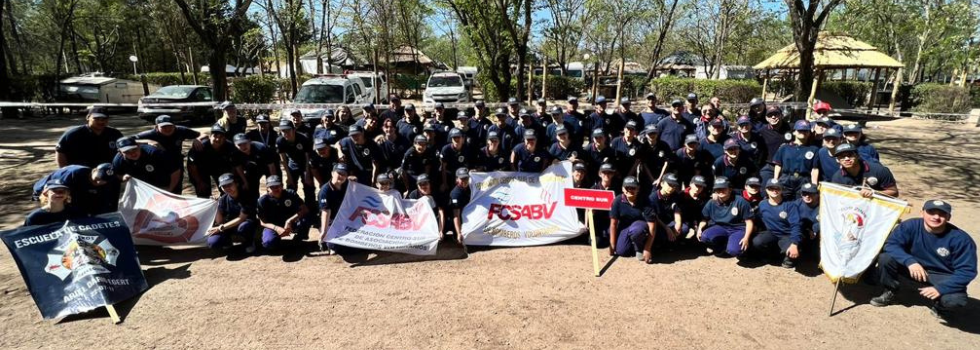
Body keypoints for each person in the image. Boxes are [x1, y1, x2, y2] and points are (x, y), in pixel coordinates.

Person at [872, 200, 977, 321]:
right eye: (931, 212)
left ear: (948, 217)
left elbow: (967, 271)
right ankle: (890, 290)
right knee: (886, 258)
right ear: (922, 213)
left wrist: (941, 288)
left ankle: (941, 308)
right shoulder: (910, 226)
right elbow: (891, 245)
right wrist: (910, 261)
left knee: (955, 300)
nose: (936, 217)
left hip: (942, 274)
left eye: (942, 214)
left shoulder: (961, 240)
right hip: (913, 267)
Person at [134, 115, 205, 193]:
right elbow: (128, 140)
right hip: (157, 165)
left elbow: (202, 133)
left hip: (176, 163)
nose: (167, 129)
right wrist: (148, 141)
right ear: (156, 127)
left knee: (176, 189)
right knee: (159, 189)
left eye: (170, 126)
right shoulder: (150, 134)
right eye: (164, 127)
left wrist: (197, 139)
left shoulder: (180, 130)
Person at [697, 176, 755, 257]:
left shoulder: (740, 201)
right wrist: (699, 229)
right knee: (705, 236)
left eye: (723, 188)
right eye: (718, 189)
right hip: (721, 227)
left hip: (738, 229)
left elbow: (749, 222)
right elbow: (704, 219)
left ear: (730, 189)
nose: (720, 191)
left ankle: (743, 249)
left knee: (734, 251)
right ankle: (723, 245)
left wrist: (746, 238)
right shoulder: (711, 202)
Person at [750, 179, 803, 268]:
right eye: (771, 188)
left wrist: (795, 243)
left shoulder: (790, 205)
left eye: (777, 188)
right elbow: (758, 219)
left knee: (791, 253)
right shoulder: (762, 204)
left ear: (782, 189)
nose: (774, 191)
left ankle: (789, 255)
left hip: (787, 235)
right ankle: (770, 255)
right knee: (757, 242)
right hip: (771, 233)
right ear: (766, 190)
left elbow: (796, 226)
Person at [32, 163, 118, 215]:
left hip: (70, 192)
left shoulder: (106, 183)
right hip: (46, 191)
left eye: (104, 181)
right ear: (94, 170)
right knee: (54, 214)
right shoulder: (73, 175)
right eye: (98, 178)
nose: (99, 182)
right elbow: (59, 194)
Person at [187, 125, 248, 198]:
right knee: (203, 190)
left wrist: (240, 180)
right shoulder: (200, 146)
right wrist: (199, 182)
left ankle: (225, 202)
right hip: (201, 169)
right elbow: (192, 166)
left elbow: (236, 165)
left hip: (220, 168)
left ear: (225, 138)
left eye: (221, 137)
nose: (218, 139)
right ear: (210, 136)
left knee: (229, 186)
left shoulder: (230, 146)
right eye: (215, 136)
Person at [257, 175, 312, 250]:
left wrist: (289, 220)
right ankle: (278, 242)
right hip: (274, 225)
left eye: (277, 186)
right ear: (267, 188)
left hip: (292, 223)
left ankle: (298, 240)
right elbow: (262, 222)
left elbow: (305, 209)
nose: (275, 188)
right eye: (272, 187)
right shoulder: (263, 201)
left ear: (282, 186)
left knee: (306, 219)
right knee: (268, 243)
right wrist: (276, 228)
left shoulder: (290, 194)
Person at [207, 173, 258, 254]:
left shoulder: (247, 196)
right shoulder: (223, 199)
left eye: (230, 184)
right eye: (224, 186)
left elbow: (241, 218)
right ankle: (227, 242)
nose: (227, 188)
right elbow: (220, 221)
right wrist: (215, 205)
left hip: (243, 225)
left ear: (236, 183)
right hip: (228, 227)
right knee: (213, 242)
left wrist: (221, 228)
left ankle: (249, 242)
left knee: (244, 226)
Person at [608, 176, 656, 261]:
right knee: (621, 252)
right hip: (624, 227)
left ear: (638, 189)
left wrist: (647, 248)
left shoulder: (645, 200)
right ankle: (632, 245)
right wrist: (612, 245)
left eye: (633, 188)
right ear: (623, 189)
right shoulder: (617, 201)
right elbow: (613, 224)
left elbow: (652, 225)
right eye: (627, 188)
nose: (630, 190)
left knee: (637, 230)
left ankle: (639, 248)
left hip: (640, 226)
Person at [56, 111, 123, 168]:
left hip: (108, 173)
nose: (101, 121)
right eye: (96, 118)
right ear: (88, 117)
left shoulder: (114, 134)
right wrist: (65, 170)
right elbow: (60, 151)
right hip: (81, 173)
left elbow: (124, 152)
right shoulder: (73, 134)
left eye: (104, 118)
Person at [772, 120, 820, 199]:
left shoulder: (814, 149)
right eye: (800, 130)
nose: (803, 133)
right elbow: (778, 165)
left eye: (806, 131)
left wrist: (814, 185)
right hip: (786, 180)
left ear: (809, 133)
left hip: (804, 181)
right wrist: (775, 180)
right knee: (784, 204)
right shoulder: (784, 147)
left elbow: (814, 169)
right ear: (794, 132)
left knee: (801, 205)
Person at [112, 136, 180, 192]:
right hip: (142, 189)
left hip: (164, 184)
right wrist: (123, 177)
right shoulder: (118, 160)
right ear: (120, 152)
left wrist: (170, 188)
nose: (132, 153)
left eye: (134, 149)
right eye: (127, 152)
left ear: (139, 145)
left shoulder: (155, 153)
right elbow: (118, 174)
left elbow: (175, 171)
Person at [830, 143, 898, 198]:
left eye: (850, 155)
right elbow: (837, 197)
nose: (847, 159)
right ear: (837, 160)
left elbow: (894, 192)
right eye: (842, 157)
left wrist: (874, 193)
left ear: (858, 156)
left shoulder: (879, 170)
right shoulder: (837, 178)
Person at [642, 173, 685, 258]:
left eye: (674, 186)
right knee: (660, 235)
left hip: (669, 222)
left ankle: (672, 243)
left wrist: (678, 225)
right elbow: (653, 216)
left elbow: (677, 211)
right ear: (662, 184)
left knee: (684, 228)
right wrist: (666, 228)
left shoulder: (675, 196)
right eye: (669, 184)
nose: (671, 188)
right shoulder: (653, 197)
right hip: (657, 223)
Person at [233, 133, 278, 200]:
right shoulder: (235, 153)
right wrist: (245, 182)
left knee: (273, 189)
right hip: (253, 168)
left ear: (250, 141)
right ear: (235, 145)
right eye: (239, 145)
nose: (243, 147)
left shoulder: (261, 148)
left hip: (267, 166)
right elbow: (238, 168)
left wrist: (273, 183)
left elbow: (271, 166)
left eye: (245, 143)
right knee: (251, 189)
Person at [317, 164, 350, 254]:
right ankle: (328, 243)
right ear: (332, 173)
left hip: (344, 220)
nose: (341, 176)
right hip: (330, 221)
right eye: (339, 173)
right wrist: (324, 231)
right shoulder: (325, 191)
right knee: (335, 246)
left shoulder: (347, 185)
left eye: (344, 174)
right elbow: (326, 211)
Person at [794, 182, 820, 257]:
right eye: (804, 194)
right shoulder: (797, 203)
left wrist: (815, 230)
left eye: (811, 194)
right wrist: (807, 230)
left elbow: (827, 221)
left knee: (815, 255)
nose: (807, 196)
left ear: (817, 194)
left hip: (817, 235)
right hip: (803, 232)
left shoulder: (823, 205)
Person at [448, 168, 471, 244]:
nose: (464, 181)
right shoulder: (455, 194)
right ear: (457, 179)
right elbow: (456, 215)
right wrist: (458, 232)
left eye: (466, 178)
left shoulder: (471, 188)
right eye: (462, 179)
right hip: (459, 219)